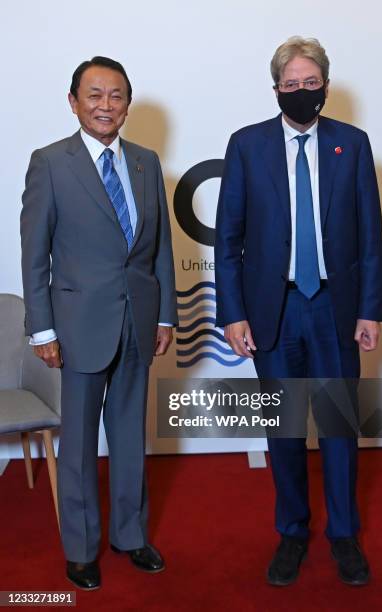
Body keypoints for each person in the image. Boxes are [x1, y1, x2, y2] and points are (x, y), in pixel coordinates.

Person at [215, 37, 382, 586]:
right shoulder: (247, 145)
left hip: (335, 307)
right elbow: (229, 239)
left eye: (312, 83)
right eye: (292, 84)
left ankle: (344, 536)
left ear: (326, 87)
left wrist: (369, 309)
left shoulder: (352, 144)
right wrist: (234, 313)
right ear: (276, 90)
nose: (302, 92)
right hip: (275, 311)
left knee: (338, 427)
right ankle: (291, 530)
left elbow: (370, 237)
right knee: (283, 431)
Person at [20, 56, 178, 590]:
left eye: (116, 96)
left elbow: (158, 249)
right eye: (94, 95)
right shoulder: (50, 163)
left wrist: (166, 316)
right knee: (81, 442)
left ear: (127, 105)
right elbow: (33, 253)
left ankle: (130, 536)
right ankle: (81, 547)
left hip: (139, 321)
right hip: (77, 327)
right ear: (73, 102)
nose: (105, 105)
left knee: (131, 437)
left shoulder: (146, 161)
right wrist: (42, 330)